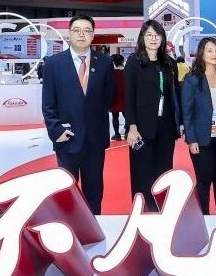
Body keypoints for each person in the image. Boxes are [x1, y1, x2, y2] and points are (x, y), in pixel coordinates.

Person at [41, 14, 115, 215]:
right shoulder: (54, 63)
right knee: (67, 192)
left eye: (87, 31)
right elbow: (48, 104)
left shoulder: (105, 62)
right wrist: (56, 130)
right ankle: (69, 228)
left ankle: (94, 227)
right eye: (77, 30)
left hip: (95, 140)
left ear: (93, 35)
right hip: (67, 138)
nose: (82, 35)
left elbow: (108, 97)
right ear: (69, 33)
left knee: (94, 192)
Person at [124, 21, 182, 211]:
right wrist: (131, 127)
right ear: (142, 38)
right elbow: (128, 96)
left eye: (157, 35)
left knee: (164, 170)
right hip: (142, 127)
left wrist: (180, 122)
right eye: (149, 35)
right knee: (142, 172)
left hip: (166, 126)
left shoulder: (170, 63)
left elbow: (175, 94)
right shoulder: (134, 62)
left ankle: (162, 209)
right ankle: (142, 210)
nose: (153, 38)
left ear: (162, 38)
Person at [181, 37, 216, 215]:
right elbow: (187, 111)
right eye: (210, 50)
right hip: (201, 139)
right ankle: (203, 217)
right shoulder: (192, 79)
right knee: (204, 180)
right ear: (201, 54)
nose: (214, 54)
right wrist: (191, 139)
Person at [110, 53, 126, 140]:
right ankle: (127, 132)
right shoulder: (126, 71)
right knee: (126, 114)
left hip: (114, 94)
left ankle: (117, 134)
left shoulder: (111, 72)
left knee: (115, 115)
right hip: (125, 94)